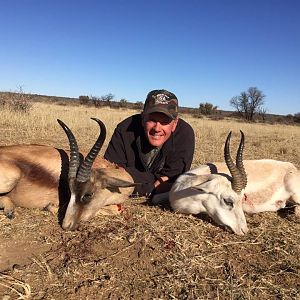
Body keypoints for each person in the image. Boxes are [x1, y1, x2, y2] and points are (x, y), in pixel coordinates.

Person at [104, 89, 195, 197]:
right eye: (152, 120)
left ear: (175, 123)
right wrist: (154, 183)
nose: (157, 128)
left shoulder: (184, 134)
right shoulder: (125, 129)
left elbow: (173, 179)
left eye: (165, 122)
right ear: (143, 118)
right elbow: (111, 173)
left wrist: (129, 177)